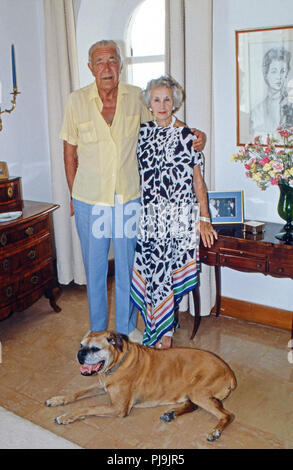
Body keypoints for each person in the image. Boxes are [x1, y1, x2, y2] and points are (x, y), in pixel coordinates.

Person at [60, 40, 207, 343]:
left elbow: (161, 119)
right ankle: (99, 330)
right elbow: (69, 153)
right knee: (96, 269)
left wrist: (191, 133)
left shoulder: (134, 97)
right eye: (99, 62)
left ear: (121, 65)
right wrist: (73, 195)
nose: (106, 67)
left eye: (112, 60)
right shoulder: (76, 101)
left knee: (128, 267)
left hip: (128, 198)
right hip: (90, 199)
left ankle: (127, 327)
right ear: (90, 67)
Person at [130, 75, 217, 349]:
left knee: (168, 272)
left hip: (179, 217)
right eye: (157, 99)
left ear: (175, 102)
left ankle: (164, 332)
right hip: (150, 217)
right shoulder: (141, 134)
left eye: (167, 99)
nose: (162, 104)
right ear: (149, 103)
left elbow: (197, 180)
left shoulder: (189, 136)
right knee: (152, 272)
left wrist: (204, 218)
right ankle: (160, 326)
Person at [250, 46, 293, 137]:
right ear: (266, 74)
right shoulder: (256, 112)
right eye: (274, 71)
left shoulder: (290, 107)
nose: (279, 76)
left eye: (282, 71)